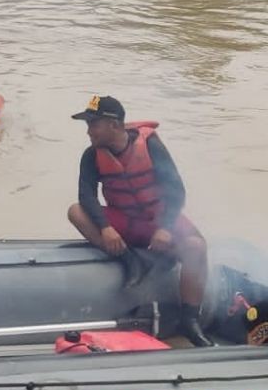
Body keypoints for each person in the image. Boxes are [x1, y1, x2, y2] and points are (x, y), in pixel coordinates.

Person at [67, 95, 212, 347]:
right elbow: (86, 196)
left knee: (196, 247)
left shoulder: (151, 147)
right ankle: (128, 259)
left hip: (157, 219)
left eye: (93, 124)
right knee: (75, 211)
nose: (89, 131)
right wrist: (106, 227)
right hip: (124, 221)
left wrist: (166, 227)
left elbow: (176, 190)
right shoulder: (91, 156)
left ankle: (190, 320)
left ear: (114, 125)